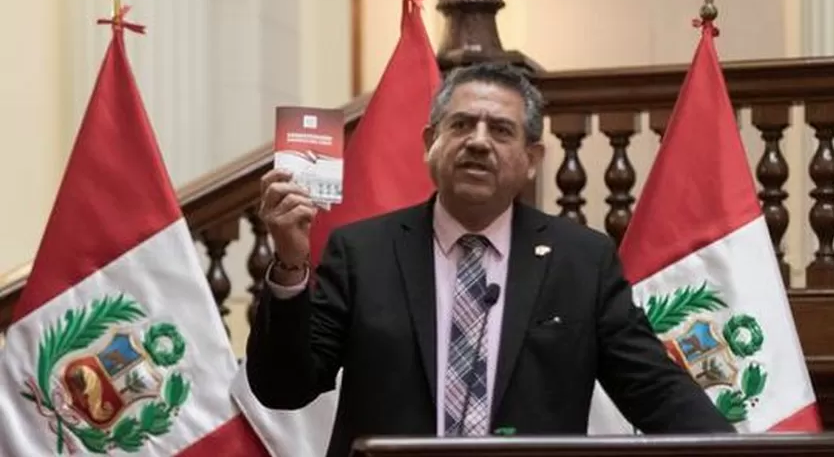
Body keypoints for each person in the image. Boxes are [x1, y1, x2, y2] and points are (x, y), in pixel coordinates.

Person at [246, 62, 735, 457]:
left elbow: (655, 392)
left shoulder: (581, 261)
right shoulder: (362, 252)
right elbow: (283, 389)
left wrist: (746, 452)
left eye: (500, 130)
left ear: (532, 159)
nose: (478, 141)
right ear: (429, 144)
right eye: (461, 125)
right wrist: (290, 265)